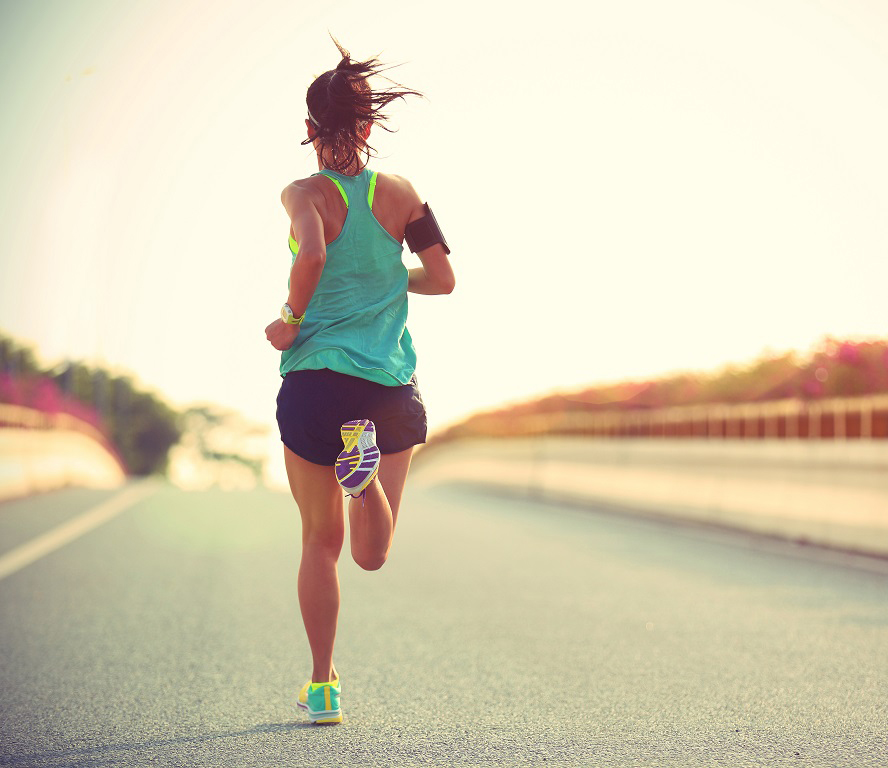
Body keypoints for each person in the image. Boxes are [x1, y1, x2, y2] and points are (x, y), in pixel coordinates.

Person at [265, 39, 455, 725]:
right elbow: (443, 279)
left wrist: (290, 318)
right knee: (373, 554)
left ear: (310, 131)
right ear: (371, 128)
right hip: (386, 389)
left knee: (321, 543)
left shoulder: (302, 192)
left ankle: (322, 686)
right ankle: (364, 476)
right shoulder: (401, 194)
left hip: (317, 382)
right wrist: (386, 278)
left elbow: (312, 252)